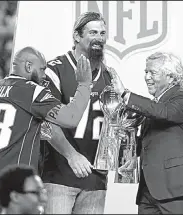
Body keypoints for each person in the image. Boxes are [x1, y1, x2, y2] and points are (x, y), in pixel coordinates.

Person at [0, 46, 93, 214]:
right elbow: (71, 117)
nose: (44, 75)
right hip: (5, 184)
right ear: (27, 67)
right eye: (42, 69)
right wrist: (84, 85)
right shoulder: (32, 91)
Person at [111, 52, 183, 214]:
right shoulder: (155, 104)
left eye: (152, 72)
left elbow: (164, 113)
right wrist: (132, 153)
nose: (146, 77)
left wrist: (125, 94)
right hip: (149, 191)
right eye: (145, 72)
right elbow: (152, 137)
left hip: (177, 190)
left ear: (171, 77)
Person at [40, 12, 113, 214]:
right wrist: (71, 155)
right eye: (93, 32)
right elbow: (45, 123)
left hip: (96, 180)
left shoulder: (110, 76)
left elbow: (114, 124)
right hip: (59, 176)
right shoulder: (55, 70)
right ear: (77, 36)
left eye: (102, 33)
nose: (99, 37)